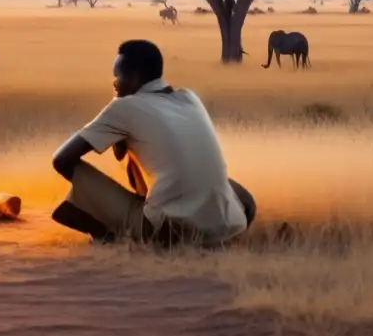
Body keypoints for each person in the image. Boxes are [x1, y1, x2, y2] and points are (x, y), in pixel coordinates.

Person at [50, 39, 256, 247]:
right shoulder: (189, 97)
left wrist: (115, 108)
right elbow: (123, 154)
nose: (114, 84)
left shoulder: (123, 107)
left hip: (169, 230)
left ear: (134, 77)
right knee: (212, 182)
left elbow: (61, 159)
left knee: (75, 169)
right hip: (229, 224)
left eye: (118, 77)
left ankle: (111, 233)